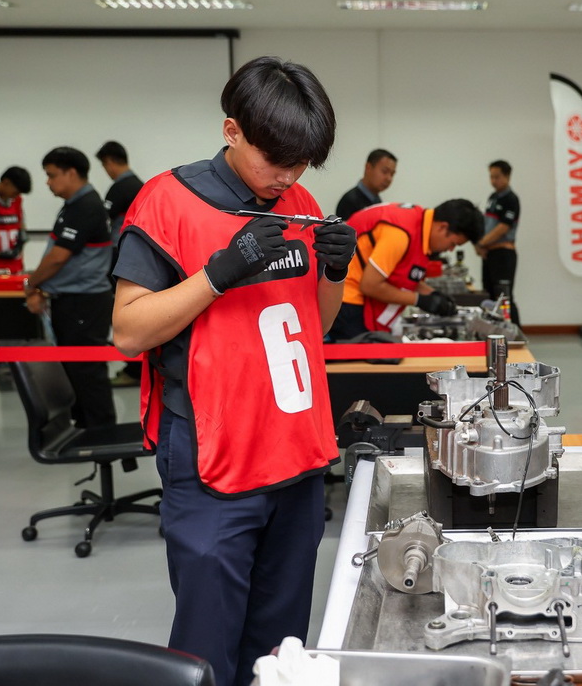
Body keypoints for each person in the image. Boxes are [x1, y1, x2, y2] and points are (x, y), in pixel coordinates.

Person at [110, 56, 356, 686]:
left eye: (302, 163)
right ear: (232, 130)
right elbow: (128, 331)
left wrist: (333, 271)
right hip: (213, 453)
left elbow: (315, 324)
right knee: (207, 645)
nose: (288, 176)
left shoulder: (299, 201)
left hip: (295, 449)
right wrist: (218, 274)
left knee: (280, 646)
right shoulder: (167, 202)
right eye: (275, 160)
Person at [23, 147, 116, 428]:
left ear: (71, 173)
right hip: (75, 300)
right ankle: (85, 428)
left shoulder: (85, 206)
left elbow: (58, 257)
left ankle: (101, 433)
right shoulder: (75, 204)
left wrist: (32, 284)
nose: (48, 182)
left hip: (84, 302)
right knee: (75, 371)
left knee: (87, 371)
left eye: (52, 175)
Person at [326, 199, 483, 342]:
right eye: (453, 243)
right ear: (443, 227)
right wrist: (420, 300)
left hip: (352, 296)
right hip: (347, 300)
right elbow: (370, 285)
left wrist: (433, 294)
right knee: (362, 362)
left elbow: (401, 276)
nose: (450, 250)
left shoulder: (418, 221)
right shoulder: (399, 234)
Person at [95, 140, 145, 387]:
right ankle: (135, 369)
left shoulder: (120, 188)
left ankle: (131, 369)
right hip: (140, 258)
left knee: (122, 313)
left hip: (120, 255)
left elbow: (101, 222)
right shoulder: (141, 185)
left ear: (110, 162)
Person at [474, 159, 521, 325]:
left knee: (504, 297)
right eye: (491, 177)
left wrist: (482, 243)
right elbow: (487, 224)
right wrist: (479, 244)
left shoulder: (511, 199)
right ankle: (493, 331)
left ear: (507, 176)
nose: (493, 181)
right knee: (489, 295)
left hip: (503, 254)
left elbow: (503, 227)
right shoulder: (492, 198)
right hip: (489, 254)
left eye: (497, 177)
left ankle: (516, 333)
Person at [334, 148, 396, 219]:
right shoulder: (349, 201)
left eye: (392, 174)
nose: (389, 178)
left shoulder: (377, 201)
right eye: (384, 171)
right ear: (368, 167)